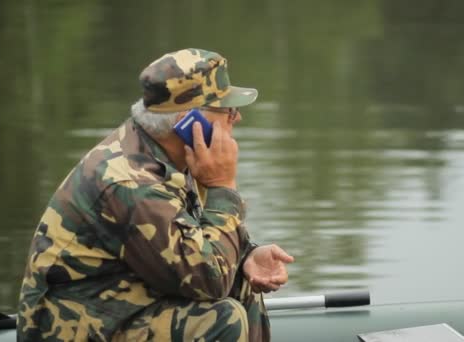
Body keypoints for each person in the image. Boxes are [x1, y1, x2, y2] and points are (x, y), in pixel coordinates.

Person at [17, 48, 294, 341]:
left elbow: (189, 242)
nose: (236, 118)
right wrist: (222, 184)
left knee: (242, 284)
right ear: (189, 122)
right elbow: (208, 280)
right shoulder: (130, 182)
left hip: (118, 308)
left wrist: (246, 255)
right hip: (72, 330)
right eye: (227, 110)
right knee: (222, 319)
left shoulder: (163, 150)